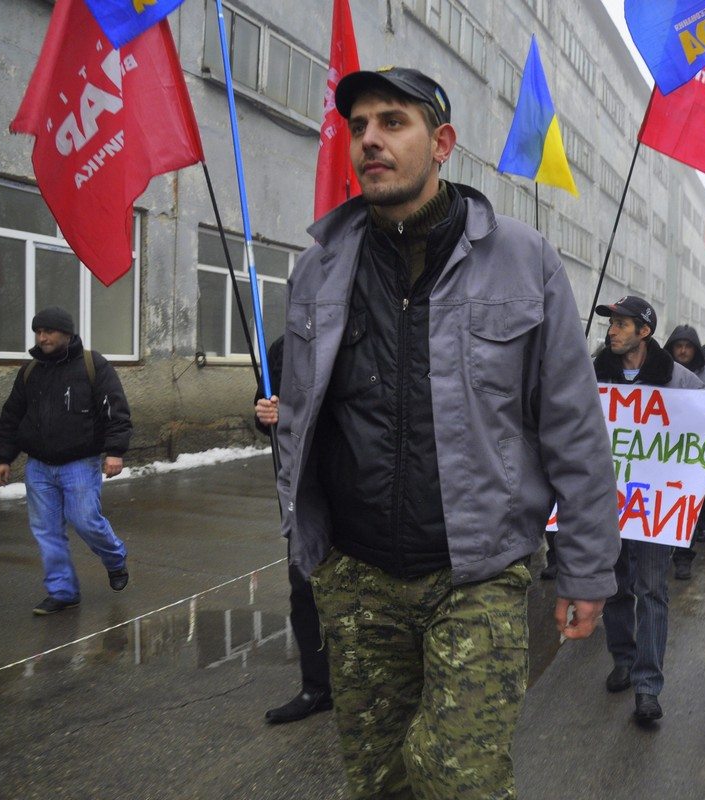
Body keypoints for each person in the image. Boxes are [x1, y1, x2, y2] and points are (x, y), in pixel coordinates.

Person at [266, 67, 619, 798]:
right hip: (357, 576)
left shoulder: (524, 260)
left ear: (442, 142)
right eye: (359, 126)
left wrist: (586, 569)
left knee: (461, 780)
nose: (370, 140)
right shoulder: (319, 269)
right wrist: (310, 544)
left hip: (477, 576)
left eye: (393, 122)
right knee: (379, 780)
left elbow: (573, 427)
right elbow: (302, 413)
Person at [594, 295, 705, 724]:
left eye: (621, 324)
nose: (612, 331)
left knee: (652, 589)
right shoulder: (593, 373)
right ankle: (622, 657)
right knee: (615, 584)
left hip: (657, 506)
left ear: (644, 331)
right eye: (611, 324)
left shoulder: (679, 379)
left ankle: (647, 686)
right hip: (607, 501)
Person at [0, 307, 131, 615]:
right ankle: (62, 591)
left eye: (48, 332)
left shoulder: (92, 365)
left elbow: (115, 409)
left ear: (67, 333)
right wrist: (4, 457)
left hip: (79, 463)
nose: (42, 338)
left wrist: (115, 451)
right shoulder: (30, 371)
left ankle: (115, 558)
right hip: (39, 467)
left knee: (86, 521)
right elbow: (12, 415)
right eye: (38, 332)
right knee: (46, 531)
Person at [254, 337, 332, 724]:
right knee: (304, 590)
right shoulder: (285, 346)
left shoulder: (361, 330)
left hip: (358, 481)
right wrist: (264, 412)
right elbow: (264, 407)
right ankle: (317, 687)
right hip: (302, 489)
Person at [666, 324, 705, 579]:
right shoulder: (660, 369)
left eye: (688, 347)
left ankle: (684, 555)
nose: (682, 351)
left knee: (687, 507)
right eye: (678, 346)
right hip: (663, 450)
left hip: (694, 453)